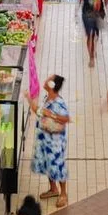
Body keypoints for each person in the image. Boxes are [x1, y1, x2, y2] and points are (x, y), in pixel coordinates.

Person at [29, 75, 71, 207]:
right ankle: (53, 189)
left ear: (52, 85)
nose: (45, 81)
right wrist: (28, 100)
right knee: (48, 164)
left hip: (55, 143)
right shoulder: (46, 98)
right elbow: (40, 112)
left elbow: (66, 119)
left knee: (57, 166)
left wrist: (50, 114)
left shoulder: (59, 103)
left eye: (48, 80)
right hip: (44, 140)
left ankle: (63, 194)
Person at [79, 0, 108, 67]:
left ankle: (93, 48)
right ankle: (91, 56)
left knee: (95, 34)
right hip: (87, 12)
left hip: (99, 12)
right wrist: (76, 10)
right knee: (89, 35)